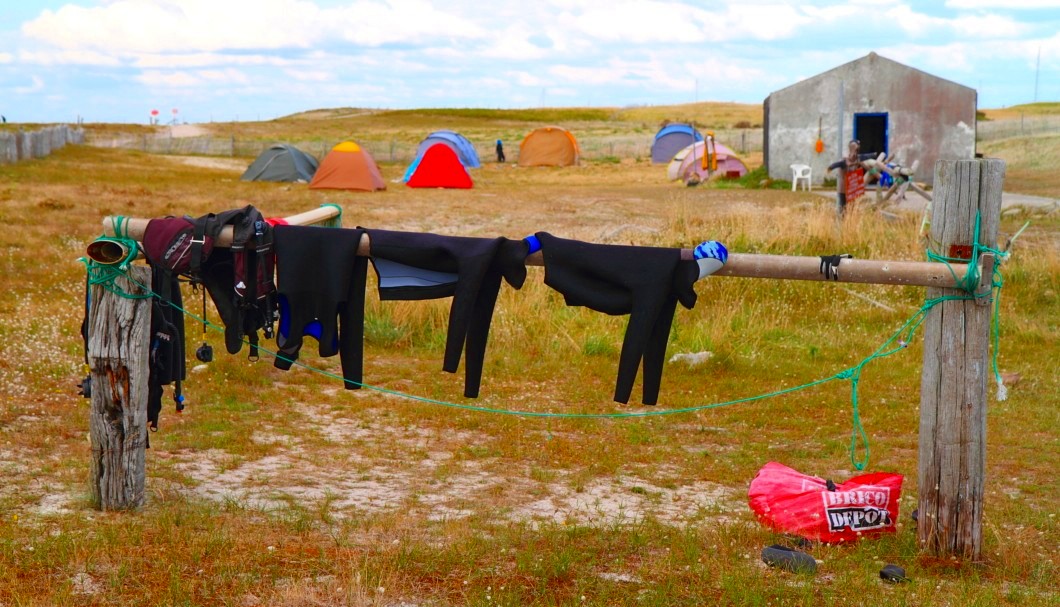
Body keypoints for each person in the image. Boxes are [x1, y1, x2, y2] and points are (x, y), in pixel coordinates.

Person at [827, 139, 862, 217]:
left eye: (856, 148)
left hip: (852, 187)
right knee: (843, 208)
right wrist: (830, 168)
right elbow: (836, 165)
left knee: (852, 207)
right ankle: (842, 222)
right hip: (843, 188)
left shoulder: (858, 159)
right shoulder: (844, 160)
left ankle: (850, 222)